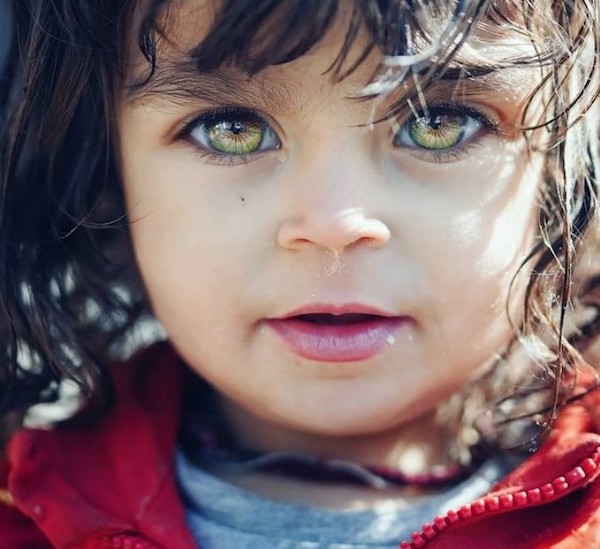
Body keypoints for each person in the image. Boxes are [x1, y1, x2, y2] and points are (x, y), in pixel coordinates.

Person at [1, 0, 600, 547]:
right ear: (107, 178)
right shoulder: (26, 517)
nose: (335, 223)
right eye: (233, 129)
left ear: (559, 173)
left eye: (438, 123)